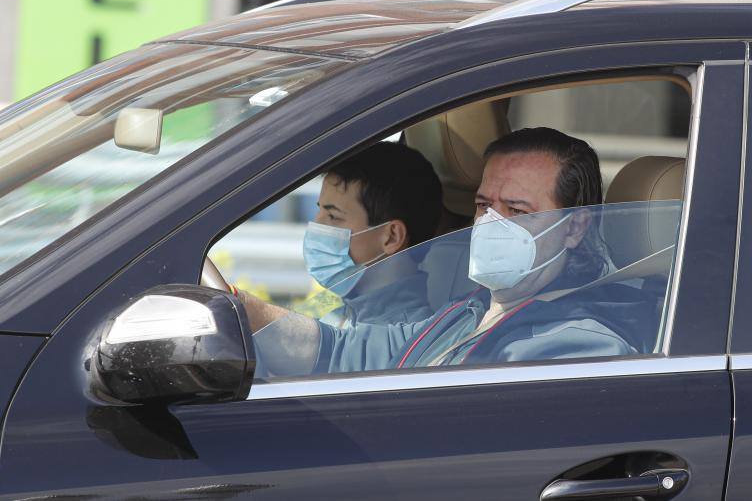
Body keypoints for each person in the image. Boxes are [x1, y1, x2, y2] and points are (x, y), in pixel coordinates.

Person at [244, 128, 657, 377]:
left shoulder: (575, 344)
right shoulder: (470, 310)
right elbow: (344, 353)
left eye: (516, 210)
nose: (489, 224)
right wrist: (238, 307)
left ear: (575, 227)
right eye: (483, 205)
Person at [231, 141, 442, 329]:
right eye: (319, 210)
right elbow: (281, 334)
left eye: (333, 216)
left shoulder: (406, 334)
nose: (316, 225)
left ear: (391, 237)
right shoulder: (337, 302)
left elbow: (308, 345)